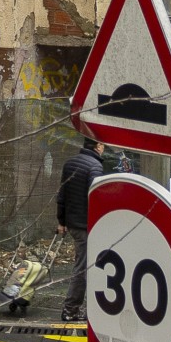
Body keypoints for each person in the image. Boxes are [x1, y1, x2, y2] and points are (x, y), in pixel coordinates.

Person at [56, 129, 108, 321]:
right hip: (87, 225)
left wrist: (61, 221)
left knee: (85, 265)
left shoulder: (70, 164)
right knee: (84, 268)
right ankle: (70, 310)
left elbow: (62, 196)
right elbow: (96, 199)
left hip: (73, 224)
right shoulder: (95, 168)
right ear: (98, 146)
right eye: (103, 146)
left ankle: (82, 309)